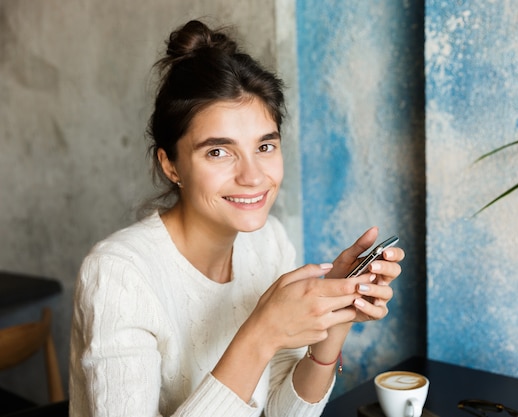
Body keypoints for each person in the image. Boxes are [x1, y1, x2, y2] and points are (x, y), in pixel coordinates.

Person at [69, 19, 405, 417]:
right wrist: (261, 334)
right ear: (171, 165)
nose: (253, 176)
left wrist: (333, 323)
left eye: (265, 145)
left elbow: (284, 412)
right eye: (218, 151)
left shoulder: (269, 242)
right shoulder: (118, 275)